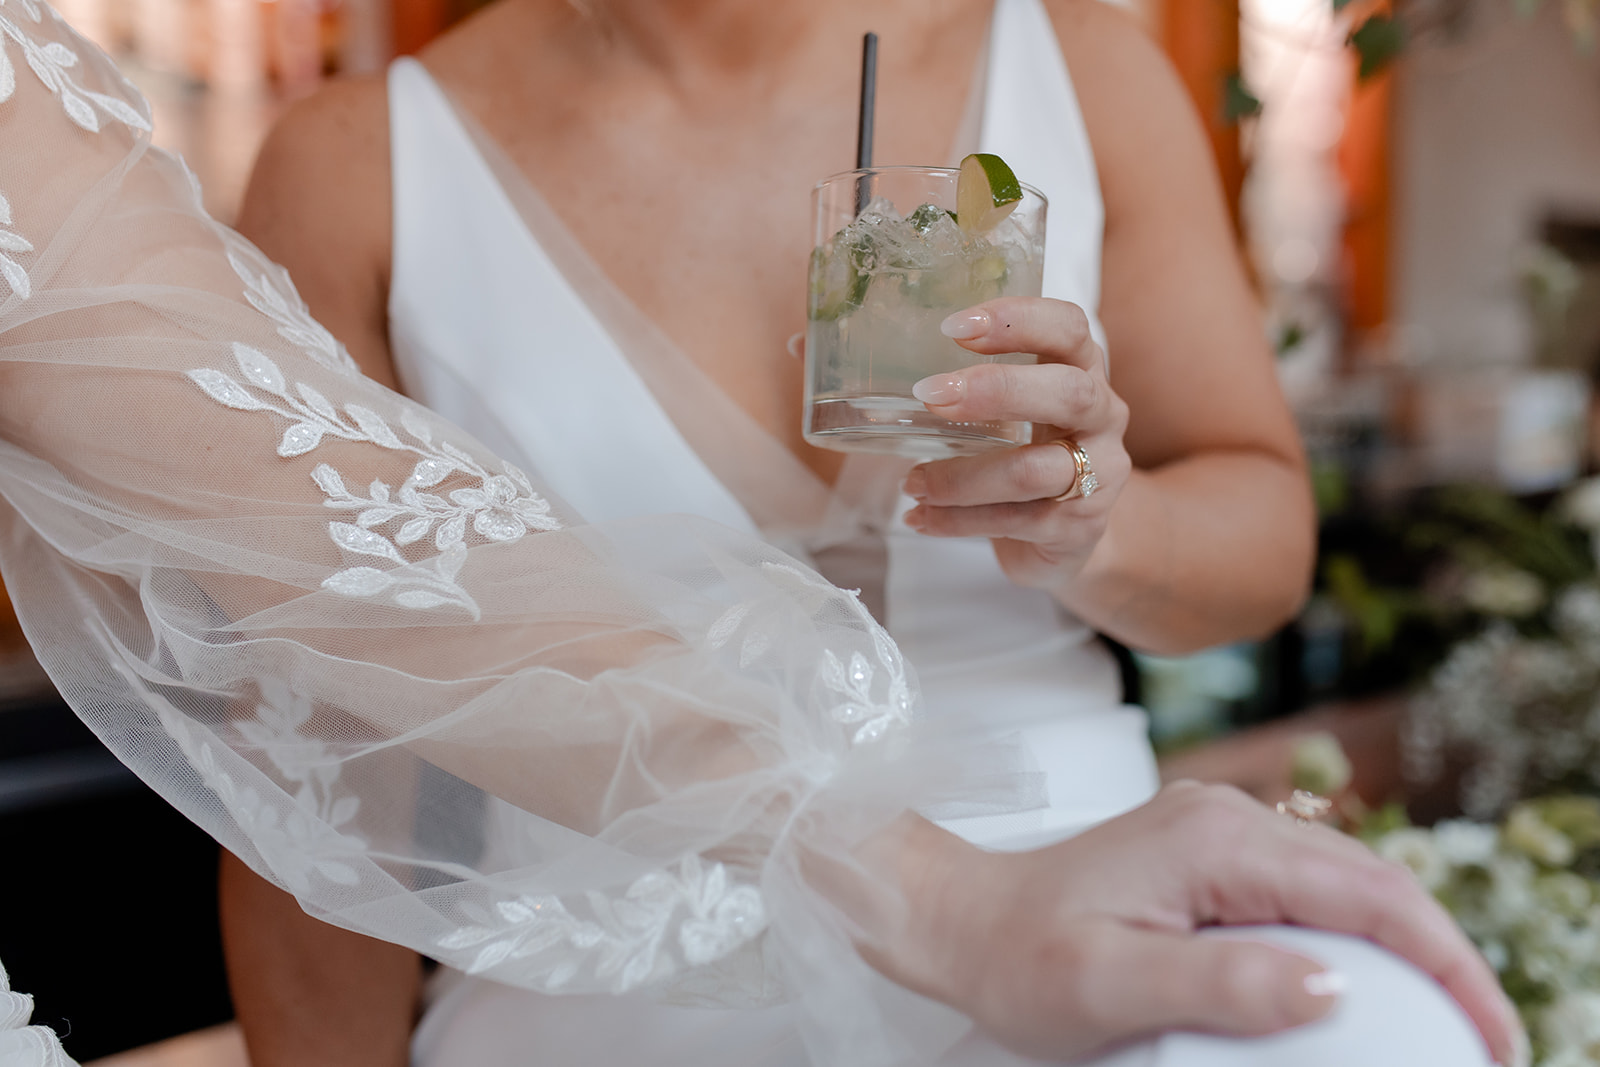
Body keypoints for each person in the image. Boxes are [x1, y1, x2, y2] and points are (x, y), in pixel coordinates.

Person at [0, 2, 1519, 1066]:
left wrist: (1096, 523)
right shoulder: (360, 160)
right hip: (607, 962)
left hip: (1084, 867)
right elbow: (309, 745)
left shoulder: (1085, 73)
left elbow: (1259, 547)